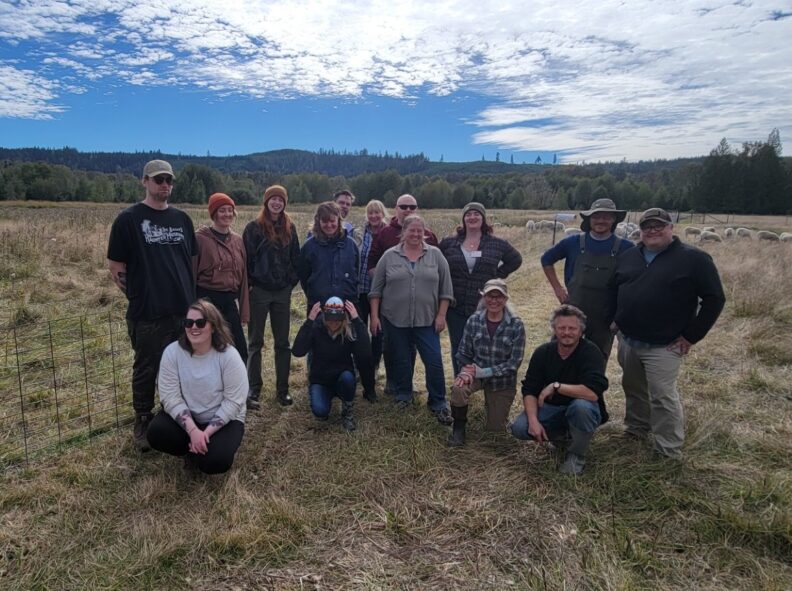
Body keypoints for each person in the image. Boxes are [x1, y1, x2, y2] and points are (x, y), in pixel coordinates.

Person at [608, 207, 725, 459]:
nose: (652, 231)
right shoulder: (630, 256)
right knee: (633, 387)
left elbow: (714, 299)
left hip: (664, 345)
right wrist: (617, 319)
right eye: (647, 226)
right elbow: (616, 288)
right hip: (628, 340)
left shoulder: (694, 259)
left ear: (671, 228)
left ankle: (668, 448)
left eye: (658, 225)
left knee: (662, 395)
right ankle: (637, 428)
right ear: (641, 231)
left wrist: (691, 336)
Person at [107, 159, 196, 452]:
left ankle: (175, 415)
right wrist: (137, 295)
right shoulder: (128, 219)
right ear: (144, 181)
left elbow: (191, 260)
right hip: (148, 313)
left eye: (169, 180)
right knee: (147, 367)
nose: (165, 186)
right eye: (159, 180)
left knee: (181, 366)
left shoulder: (182, 219)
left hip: (182, 311)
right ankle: (143, 419)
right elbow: (116, 264)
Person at [369, 215, 454, 425]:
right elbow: (375, 291)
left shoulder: (436, 255)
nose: (416, 234)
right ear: (403, 232)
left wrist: (441, 315)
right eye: (411, 230)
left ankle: (438, 402)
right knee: (401, 360)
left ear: (424, 232)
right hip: (394, 319)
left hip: (427, 321)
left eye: (420, 231)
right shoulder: (389, 256)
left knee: (434, 361)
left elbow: (446, 290)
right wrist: (374, 317)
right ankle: (404, 395)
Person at [147, 299, 247, 475]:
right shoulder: (172, 353)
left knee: (216, 462)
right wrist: (193, 430)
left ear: (213, 326)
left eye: (200, 322)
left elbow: (234, 401)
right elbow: (170, 396)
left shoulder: (229, 356)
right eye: (188, 322)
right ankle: (190, 450)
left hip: (224, 420)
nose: (194, 327)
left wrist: (206, 432)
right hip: (189, 417)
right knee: (156, 432)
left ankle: (202, 448)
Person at [509, 305, 609, 475]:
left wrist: (556, 386)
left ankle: (577, 455)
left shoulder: (591, 352)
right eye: (562, 328)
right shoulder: (543, 352)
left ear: (581, 331)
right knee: (520, 427)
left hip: (582, 408)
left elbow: (592, 393)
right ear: (554, 329)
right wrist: (533, 421)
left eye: (572, 328)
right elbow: (530, 389)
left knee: (581, 408)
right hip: (552, 408)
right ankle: (563, 437)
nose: (567, 332)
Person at [541, 198, 633, 360]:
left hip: (604, 317)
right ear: (589, 219)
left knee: (596, 360)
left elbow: (633, 283)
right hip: (573, 312)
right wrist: (558, 289)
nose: (601, 221)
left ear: (614, 220)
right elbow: (546, 260)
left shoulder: (626, 248)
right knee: (560, 356)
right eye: (596, 216)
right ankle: (558, 385)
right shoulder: (573, 242)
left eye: (606, 217)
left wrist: (620, 317)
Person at [366, 193, 438, 395]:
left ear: (416, 208)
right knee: (390, 343)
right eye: (403, 206)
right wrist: (385, 281)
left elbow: (438, 269)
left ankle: (406, 381)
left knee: (412, 344)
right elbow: (371, 264)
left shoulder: (428, 235)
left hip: (420, 304)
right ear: (396, 208)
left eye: (412, 206)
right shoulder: (384, 233)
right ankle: (391, 380)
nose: (407, 210)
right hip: (391, 303)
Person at [440, 202, 522, 375]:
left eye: (477, 214)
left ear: (483, 218)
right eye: (468, 214)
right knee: (459, 345)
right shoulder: (449, 243)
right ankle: (461, 382)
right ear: (463, 219)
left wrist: (497, 276)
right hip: (456, 304)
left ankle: (483, 378)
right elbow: (437, 265)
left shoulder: (497, 244)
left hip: (485, 304)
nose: (472, 217)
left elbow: (516, 260)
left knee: (484, 344)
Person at [448, 279, 525, 447]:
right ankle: (458, 429)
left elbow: (514, 363)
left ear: (506, 299)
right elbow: (462, 352)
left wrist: (485, 372)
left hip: (502, 381)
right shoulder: (474, 320)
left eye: (499, 296)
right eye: (490, 296)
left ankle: (495, 411)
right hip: (475, 374)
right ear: (483, 297)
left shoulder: (516, 325)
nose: (494, 300)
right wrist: (465, 371)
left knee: (495, 433)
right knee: (458, 388)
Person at [243, 184, 300, 408]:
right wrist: (251, 285)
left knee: (283, 342)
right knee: (255, 342)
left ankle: (282, 389)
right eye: (273, 199)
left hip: (282, 293)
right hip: (259, 292)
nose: (277, 203)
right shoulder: (253, 228)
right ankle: (254, 389)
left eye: (281, 200)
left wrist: (289, 283)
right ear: (266, 201)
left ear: (285, 203)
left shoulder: (290, 228)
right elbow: (246, 259)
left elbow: (297, 258)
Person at [292, 297, 375, 431]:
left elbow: (365, 354)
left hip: (342, 377)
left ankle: (347, 410)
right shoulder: (316, 327)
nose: (333, 322)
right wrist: (309, 321)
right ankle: (325, 396)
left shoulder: (348, 329)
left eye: (337, 318)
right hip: (321, 380)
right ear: (324, 314)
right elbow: (297, 351)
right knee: (320, 412)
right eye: (330, 317)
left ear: (343, 316)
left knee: (348, 378)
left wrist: (357, 321)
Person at [194, 193, 249, 363]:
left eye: (230, 210)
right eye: (222, 210)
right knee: (209, 349)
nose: (227, 214)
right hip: (206, 300)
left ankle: (237, 388)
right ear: (214, 214)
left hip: (230, 300)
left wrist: (244, 311)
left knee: (239, 351)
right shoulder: (199, 239)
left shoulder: (238, 241)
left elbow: (243, 276)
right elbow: (190, 274)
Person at [298, 201, 359, 311]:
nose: (329, 225)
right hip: (317, 307)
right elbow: (304, 276)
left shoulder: (351, 245)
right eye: (325, 221)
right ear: (318, 221)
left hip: (347, 306)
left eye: (332, 221)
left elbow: (356, 273)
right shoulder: (308, 247)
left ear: (339, 220)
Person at [356, 199, 388, 391]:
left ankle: (375, 366)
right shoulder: (359, 233)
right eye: (370, 213)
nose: (374, 216)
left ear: (383, 213)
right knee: (360, 331)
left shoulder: (389, 233)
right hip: (360, 289)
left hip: (381, 292)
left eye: (377, 212)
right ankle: (361, 366)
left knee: (377, 332)